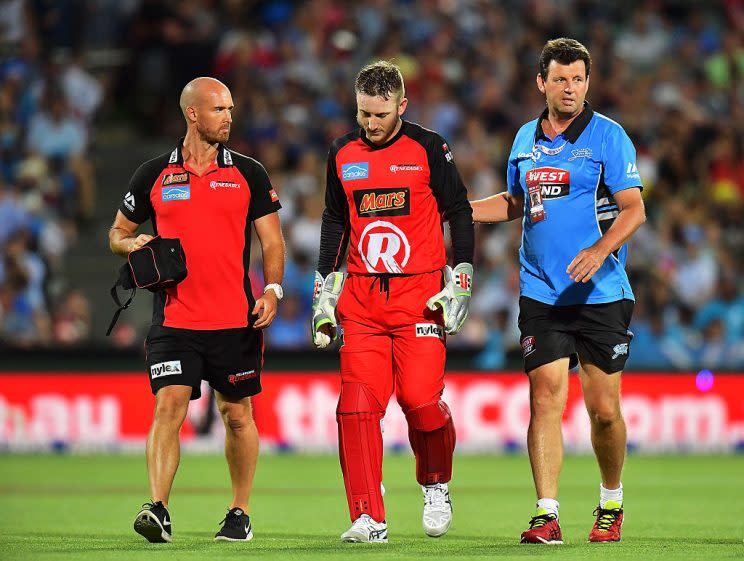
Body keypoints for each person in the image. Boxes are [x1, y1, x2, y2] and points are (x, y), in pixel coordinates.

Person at [470, 38, 645, 544]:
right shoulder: (525, 137)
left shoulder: (609, 137)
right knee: (544, 398)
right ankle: (546, 514)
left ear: (588, 83)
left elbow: (634, 209)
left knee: (604, 411)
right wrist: (458, 210)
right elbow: (515, 201)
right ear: (541, 82)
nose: (570, 88)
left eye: (578, 79)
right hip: (541, 292)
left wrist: (599, 251)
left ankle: (611, 500)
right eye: (560, 79)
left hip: (601, 294)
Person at [109, 77, 285, 544]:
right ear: (192, 113)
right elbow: (116, 233)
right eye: (219, 109)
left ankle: (239, 512)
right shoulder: (152, 174)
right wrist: (135, 242)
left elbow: (272, 240)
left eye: (231, 108)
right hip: (174, 320)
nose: (229, 116)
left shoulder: (250, 172)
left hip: (235, 320)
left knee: (237, 415)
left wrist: (272, 289)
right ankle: (159, 509)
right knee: (168, 406)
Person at [312, 61, 474, 543]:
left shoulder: (428, 148)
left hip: (419, 297)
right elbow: (334, 221)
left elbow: (459, 210)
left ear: (402, 106)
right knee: (357, 407)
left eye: (380, 114)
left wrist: (461, 276)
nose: (371, 123)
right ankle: (369, 517)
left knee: (421, 402)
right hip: (361, 300)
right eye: (363, 113)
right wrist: (324, 291)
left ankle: (436, 483)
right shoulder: (342, 152)